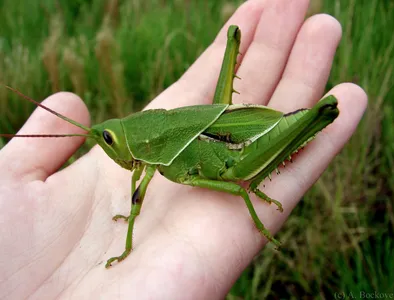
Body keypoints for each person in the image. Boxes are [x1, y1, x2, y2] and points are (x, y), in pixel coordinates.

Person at [0, 0, 367, 299]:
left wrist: (259, 219)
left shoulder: (154, 156)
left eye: (110, 140)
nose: (112, 149)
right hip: (213, 132)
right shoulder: (147, 159)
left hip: (241, 149)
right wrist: (130, 224)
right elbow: (137, 194)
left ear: (135, 138)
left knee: (238, 176)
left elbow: (233, 185)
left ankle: (317, 115)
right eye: (107, 140)